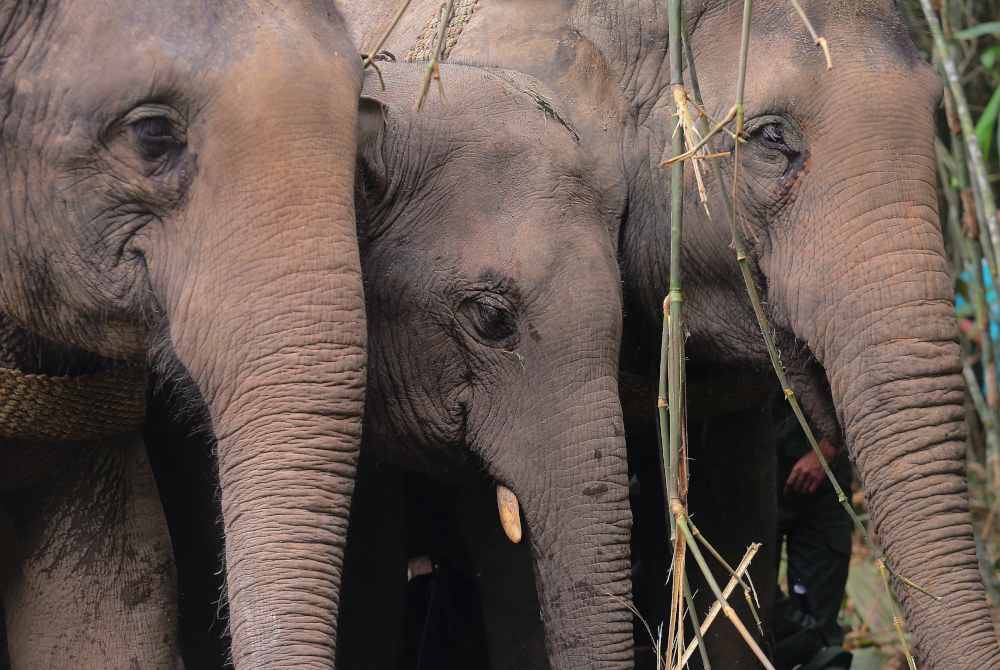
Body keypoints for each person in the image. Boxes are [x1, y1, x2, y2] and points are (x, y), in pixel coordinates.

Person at [772, 402, 854, 670]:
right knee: (753, 601)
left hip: (823, 477)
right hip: (752, 469)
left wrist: (827, 449)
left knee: (819, 628)